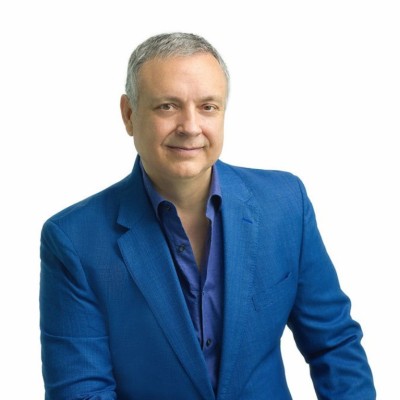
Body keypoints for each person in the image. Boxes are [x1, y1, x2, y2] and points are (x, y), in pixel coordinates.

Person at [39, 32, 376, 400]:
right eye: (167, 106)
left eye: (208, 106)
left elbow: (334, 344)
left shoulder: (285, 205)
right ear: (129, 114)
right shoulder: (74, 240)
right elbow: (82, 391)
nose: (190, 126)